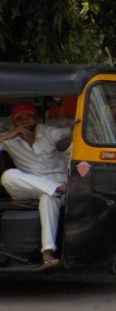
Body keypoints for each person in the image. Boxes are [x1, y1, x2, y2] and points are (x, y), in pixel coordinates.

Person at [0, 102, 68, 267]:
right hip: (28, 185)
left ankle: (47, 253)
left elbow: (65, 138)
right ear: (13, 122)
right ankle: (61, 191)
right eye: (20, 119)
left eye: (29, 117)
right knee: (8, 175)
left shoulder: (48, 132)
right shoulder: (10, 139)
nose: (25, 121)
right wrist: (8, 136)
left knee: (47, 197)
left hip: (54, 180)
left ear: (36, 118)